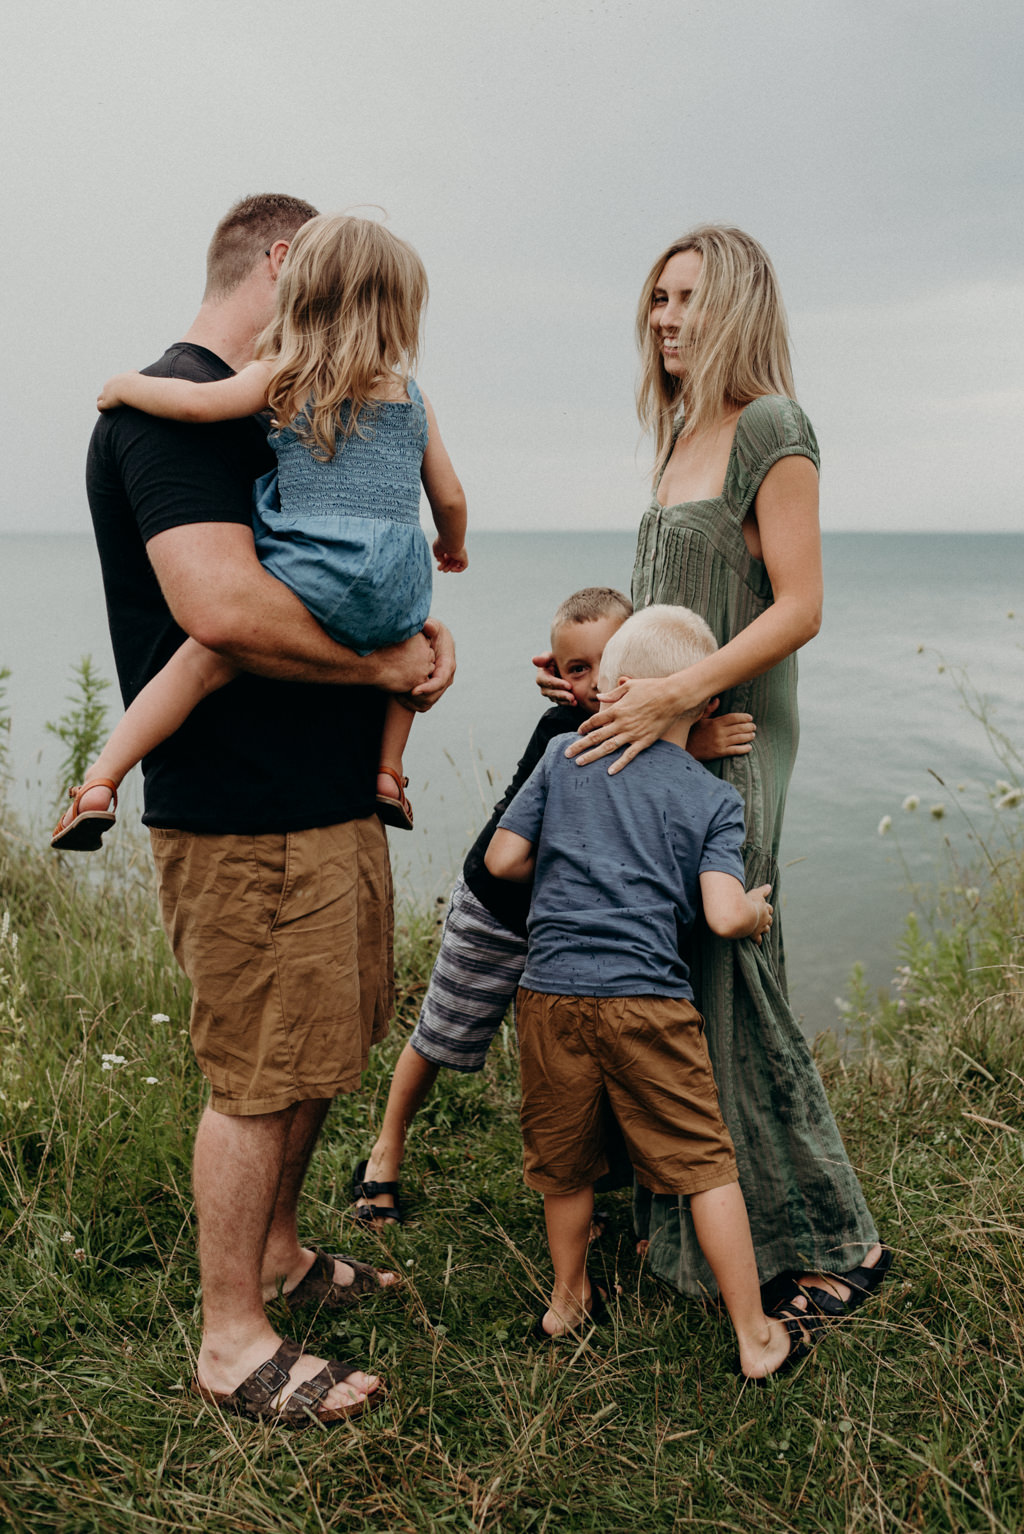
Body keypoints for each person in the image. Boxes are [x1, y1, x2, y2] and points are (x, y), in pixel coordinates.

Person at [82, 194, 455, 1426]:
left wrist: (415, 642)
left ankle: (284, 1255)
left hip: (324, 798)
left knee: (313, 1051)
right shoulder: (174, 405)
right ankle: (231, 1336)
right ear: (288, 261)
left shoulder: (320, 398)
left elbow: (373, 546)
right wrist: (386, 666)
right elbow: (226, 612)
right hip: (241, 813)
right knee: (254, 1071)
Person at [538, 225, 891, 1328]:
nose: (664, 318)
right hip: (661, 729)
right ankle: (686, 1215)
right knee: (671, 963)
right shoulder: (678, 432)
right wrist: (598, 679)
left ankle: (832, 1236)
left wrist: (681, 700)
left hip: (730, 735)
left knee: (730, 970)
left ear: (734, 302)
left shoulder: (772, 428)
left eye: (685, 297)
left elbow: (799, 607)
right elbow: (664, 612)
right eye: (655, 298)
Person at [54, 215, 467, 850]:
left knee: (199, 662)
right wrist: (451, 547)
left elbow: (195, 405)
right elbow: (450, 497)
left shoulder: (287, 375)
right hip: (401, 574)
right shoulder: (412, 395)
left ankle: (102, 779)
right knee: (406, 654)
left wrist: (123, 387)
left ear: (302, 290)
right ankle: (389, 772)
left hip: (322, 569)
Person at [352, 586, 755, 1227]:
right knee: (442, 1031)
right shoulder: (565, 729)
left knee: (579, 1060)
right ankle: (386, 1148)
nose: (591, 684)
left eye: (600, 664)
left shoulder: (635, 713)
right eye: (573, 669)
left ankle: (588, 1187)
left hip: (575, 937)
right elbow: (607, 778)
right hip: (501, 906)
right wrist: (695, 747)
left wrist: (686, 736)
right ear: (555, 673)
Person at [487, 605, 811, 1379]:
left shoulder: (564, 757)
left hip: (550, 995)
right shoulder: (710, 798)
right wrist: (761, 908)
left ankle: (568, 1299)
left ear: (608, 685)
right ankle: (754, 1333)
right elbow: (724, 914)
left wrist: (568, 866)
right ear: (702, 704)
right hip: (649, 1003)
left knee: (563, 1161)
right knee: (704, 1164)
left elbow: (502, 860)